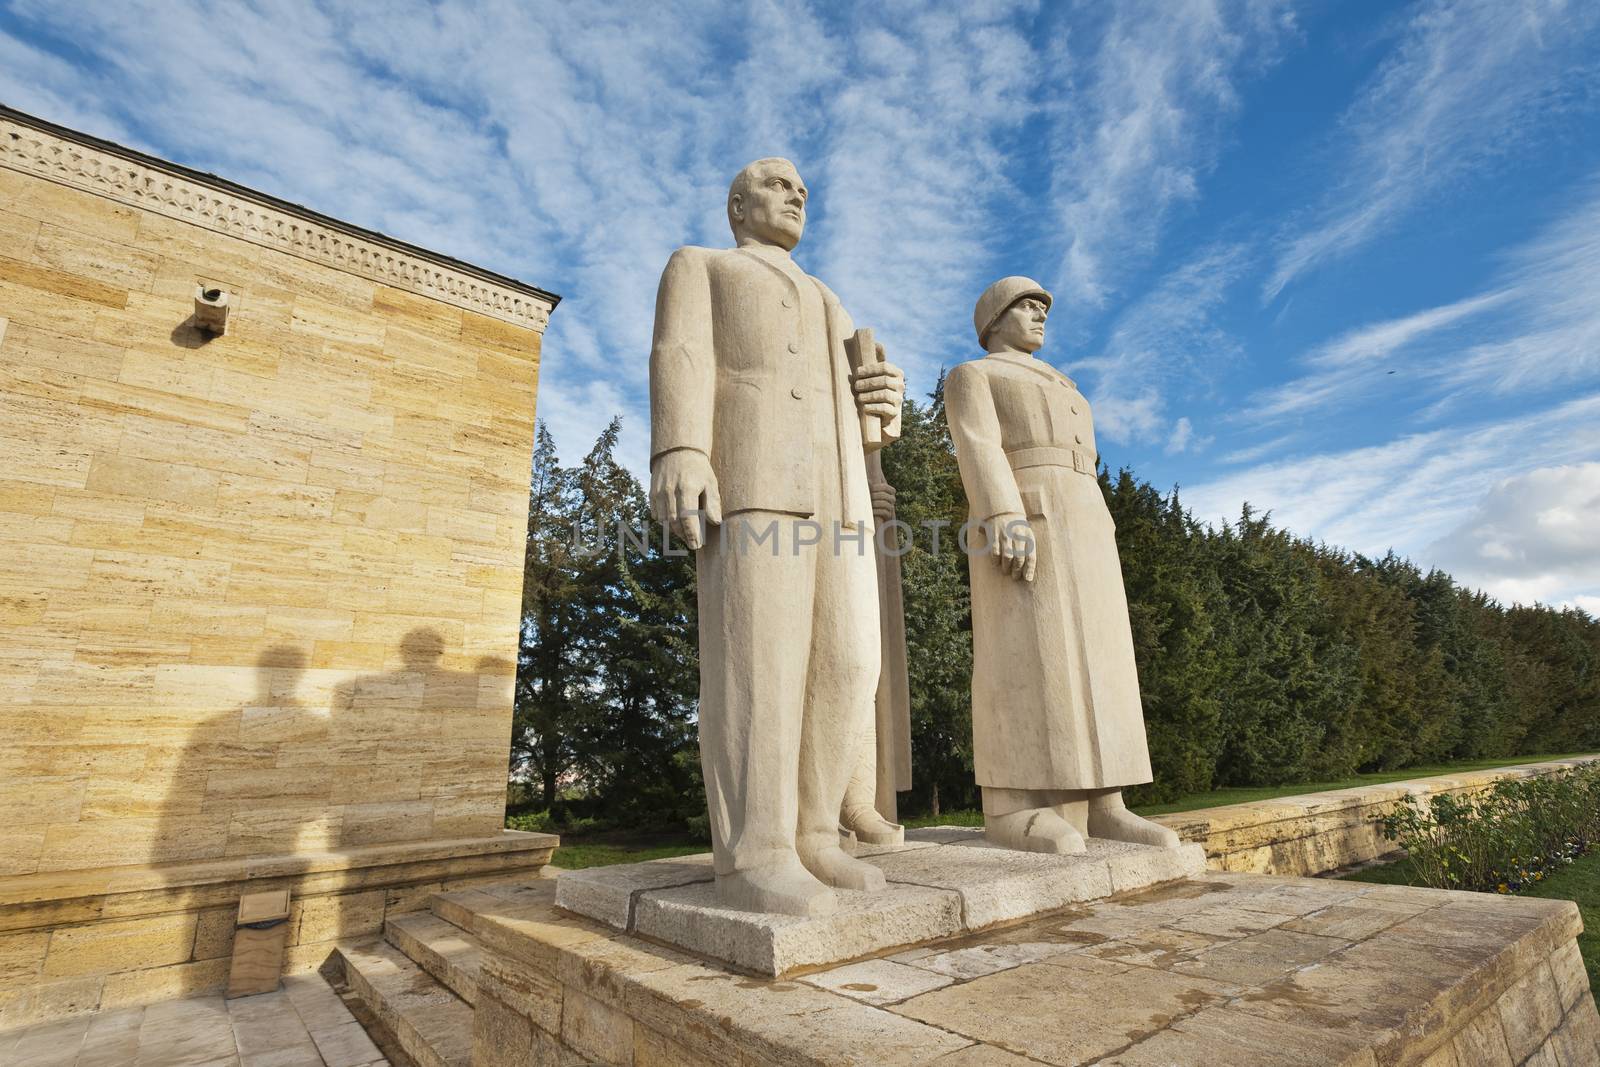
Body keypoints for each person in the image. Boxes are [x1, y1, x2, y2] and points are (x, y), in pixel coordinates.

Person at [649, 157, 906, 914]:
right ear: (736, 203)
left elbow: (861, 413)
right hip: (754, 475)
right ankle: (756, 849)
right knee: (759, 660)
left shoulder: (829, 298)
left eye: (802, 189)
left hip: (839, 493)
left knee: (848, 658)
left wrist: (883, 411)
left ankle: (817, 832)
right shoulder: (701, 266)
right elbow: (682, 354)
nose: (795, 194)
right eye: (775, 183)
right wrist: (681, 449)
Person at [945, 276, 1179, 854]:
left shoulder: (1066, 384)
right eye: (1027, 305)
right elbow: (977, 443)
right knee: (1027, 653)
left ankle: (1105, 801)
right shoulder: (975, 375)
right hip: (1025, 509)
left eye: (1043, 306)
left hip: (1084, 515)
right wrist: (1001, 510)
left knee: (1102, 660)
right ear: (994, 319)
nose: (1039, 314)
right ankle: (1012, 806)